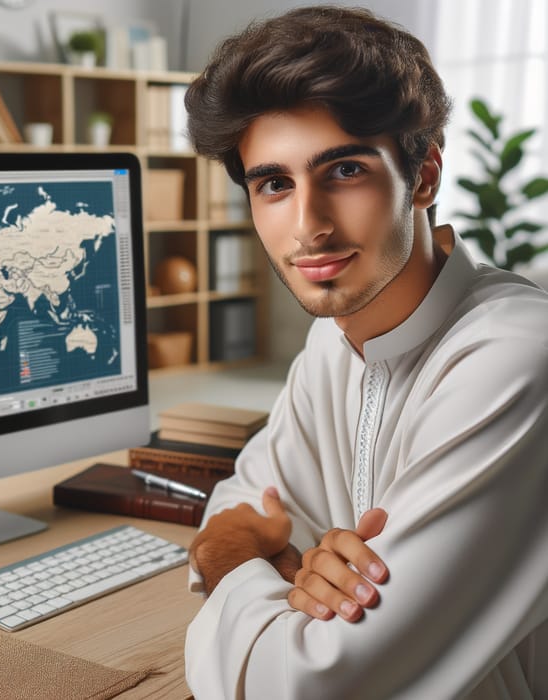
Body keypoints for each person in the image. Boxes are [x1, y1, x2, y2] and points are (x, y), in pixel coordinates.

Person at [182, 5, 548, 699]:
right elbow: (245, 502)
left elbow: (314, 684)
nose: (309, 226)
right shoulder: (335, 342)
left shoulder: (518, 358)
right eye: (274, 184)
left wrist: (230, 564)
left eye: (344, 170)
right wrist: (267, 563)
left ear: (426, 176)